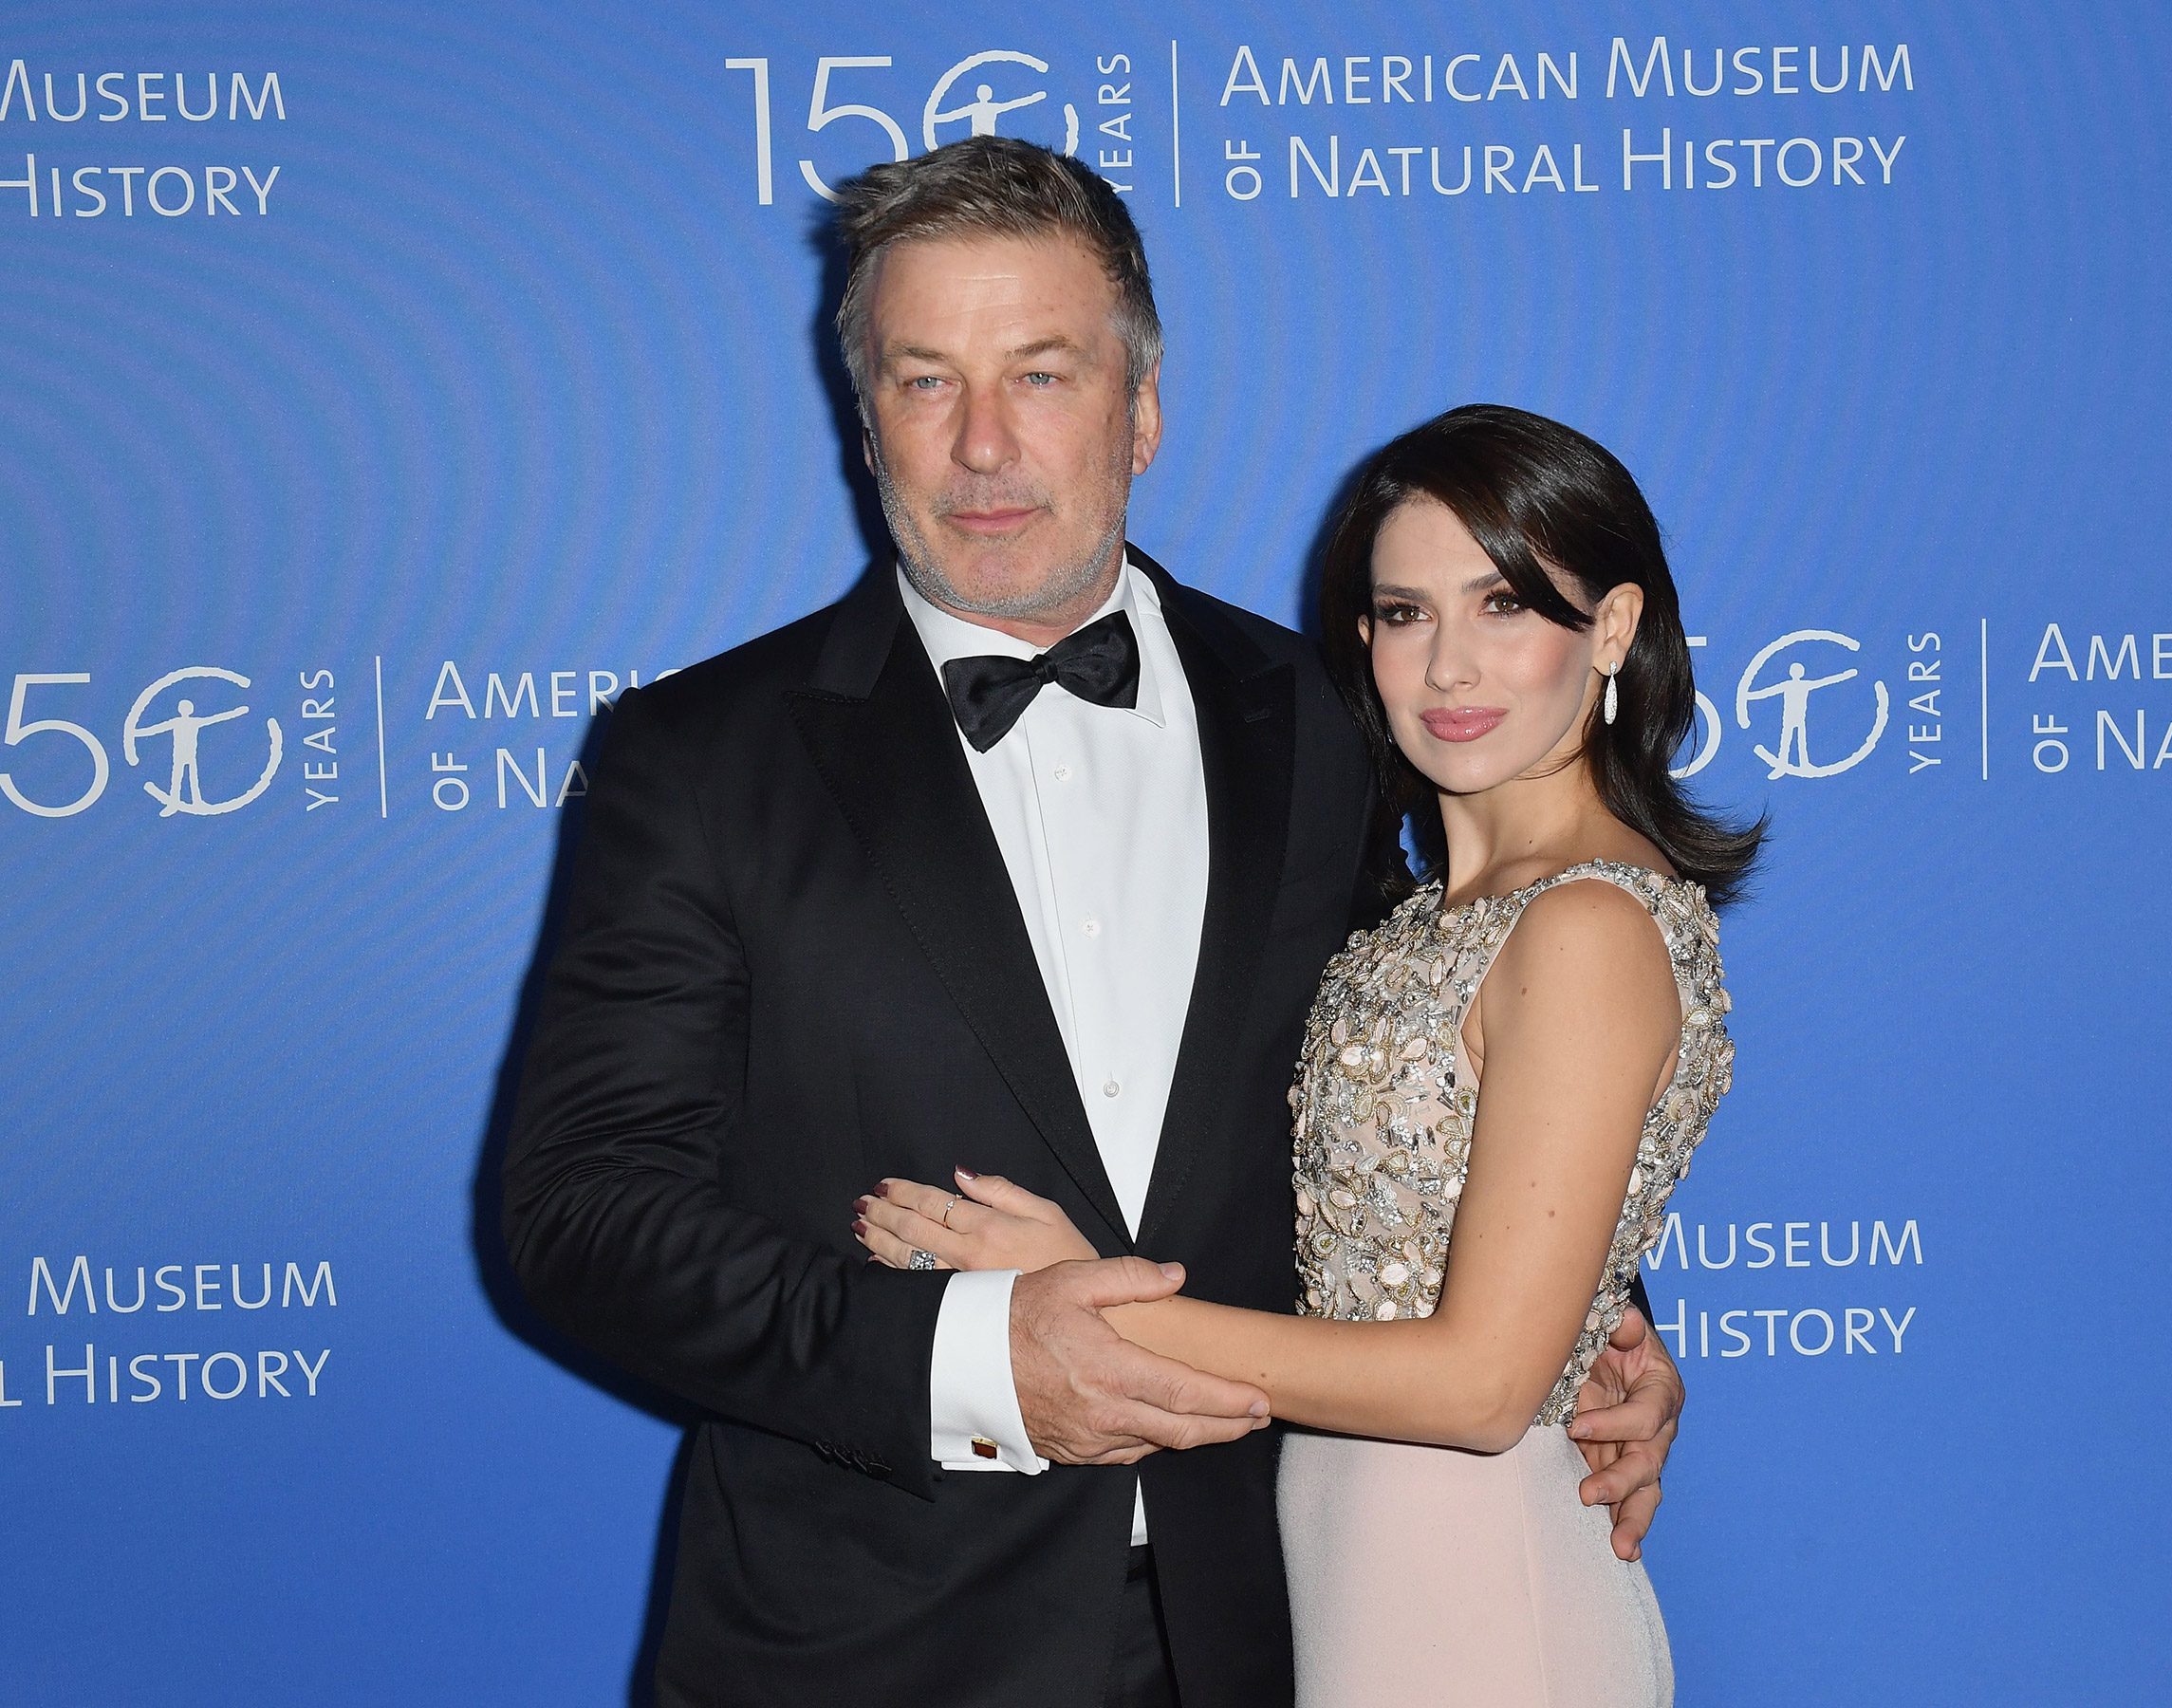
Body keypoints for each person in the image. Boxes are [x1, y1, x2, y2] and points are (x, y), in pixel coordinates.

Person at [503, 136, 1685, 1708]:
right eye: (926, 381)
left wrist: (1590, 1320)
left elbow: (1441, 1068)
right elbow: (585, 1214)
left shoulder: (1323, 713)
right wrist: (975, 1363)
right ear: (865, 424)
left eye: (1042, 374)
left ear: (1140, 409)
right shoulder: (702, 757)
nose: (984, 446)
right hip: (868, 1648)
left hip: (1282, 1623)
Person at [851, 405, 1759, 1707]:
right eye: (1402, 614)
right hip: (1349, 1577)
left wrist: (1092, 1301)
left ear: (1608, 631)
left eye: (1502, 606)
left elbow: (1481, 1386)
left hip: (1478, 1596)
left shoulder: (1586, 926)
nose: (1447, 668)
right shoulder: (1423, 904)